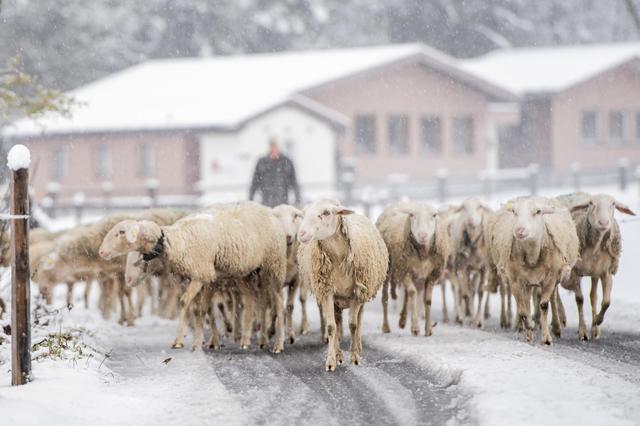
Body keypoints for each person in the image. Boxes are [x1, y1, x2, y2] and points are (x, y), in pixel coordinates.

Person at [249, 138, 301, 207]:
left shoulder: (286, 162)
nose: (273, 149)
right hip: (266, 203)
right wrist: (250, 200)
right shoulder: (262, 162)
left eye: (275, 146)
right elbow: (254, 183)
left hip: (283, 204)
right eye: (272, 146)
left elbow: (294, 182)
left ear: (278, 147)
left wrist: (297, 200)